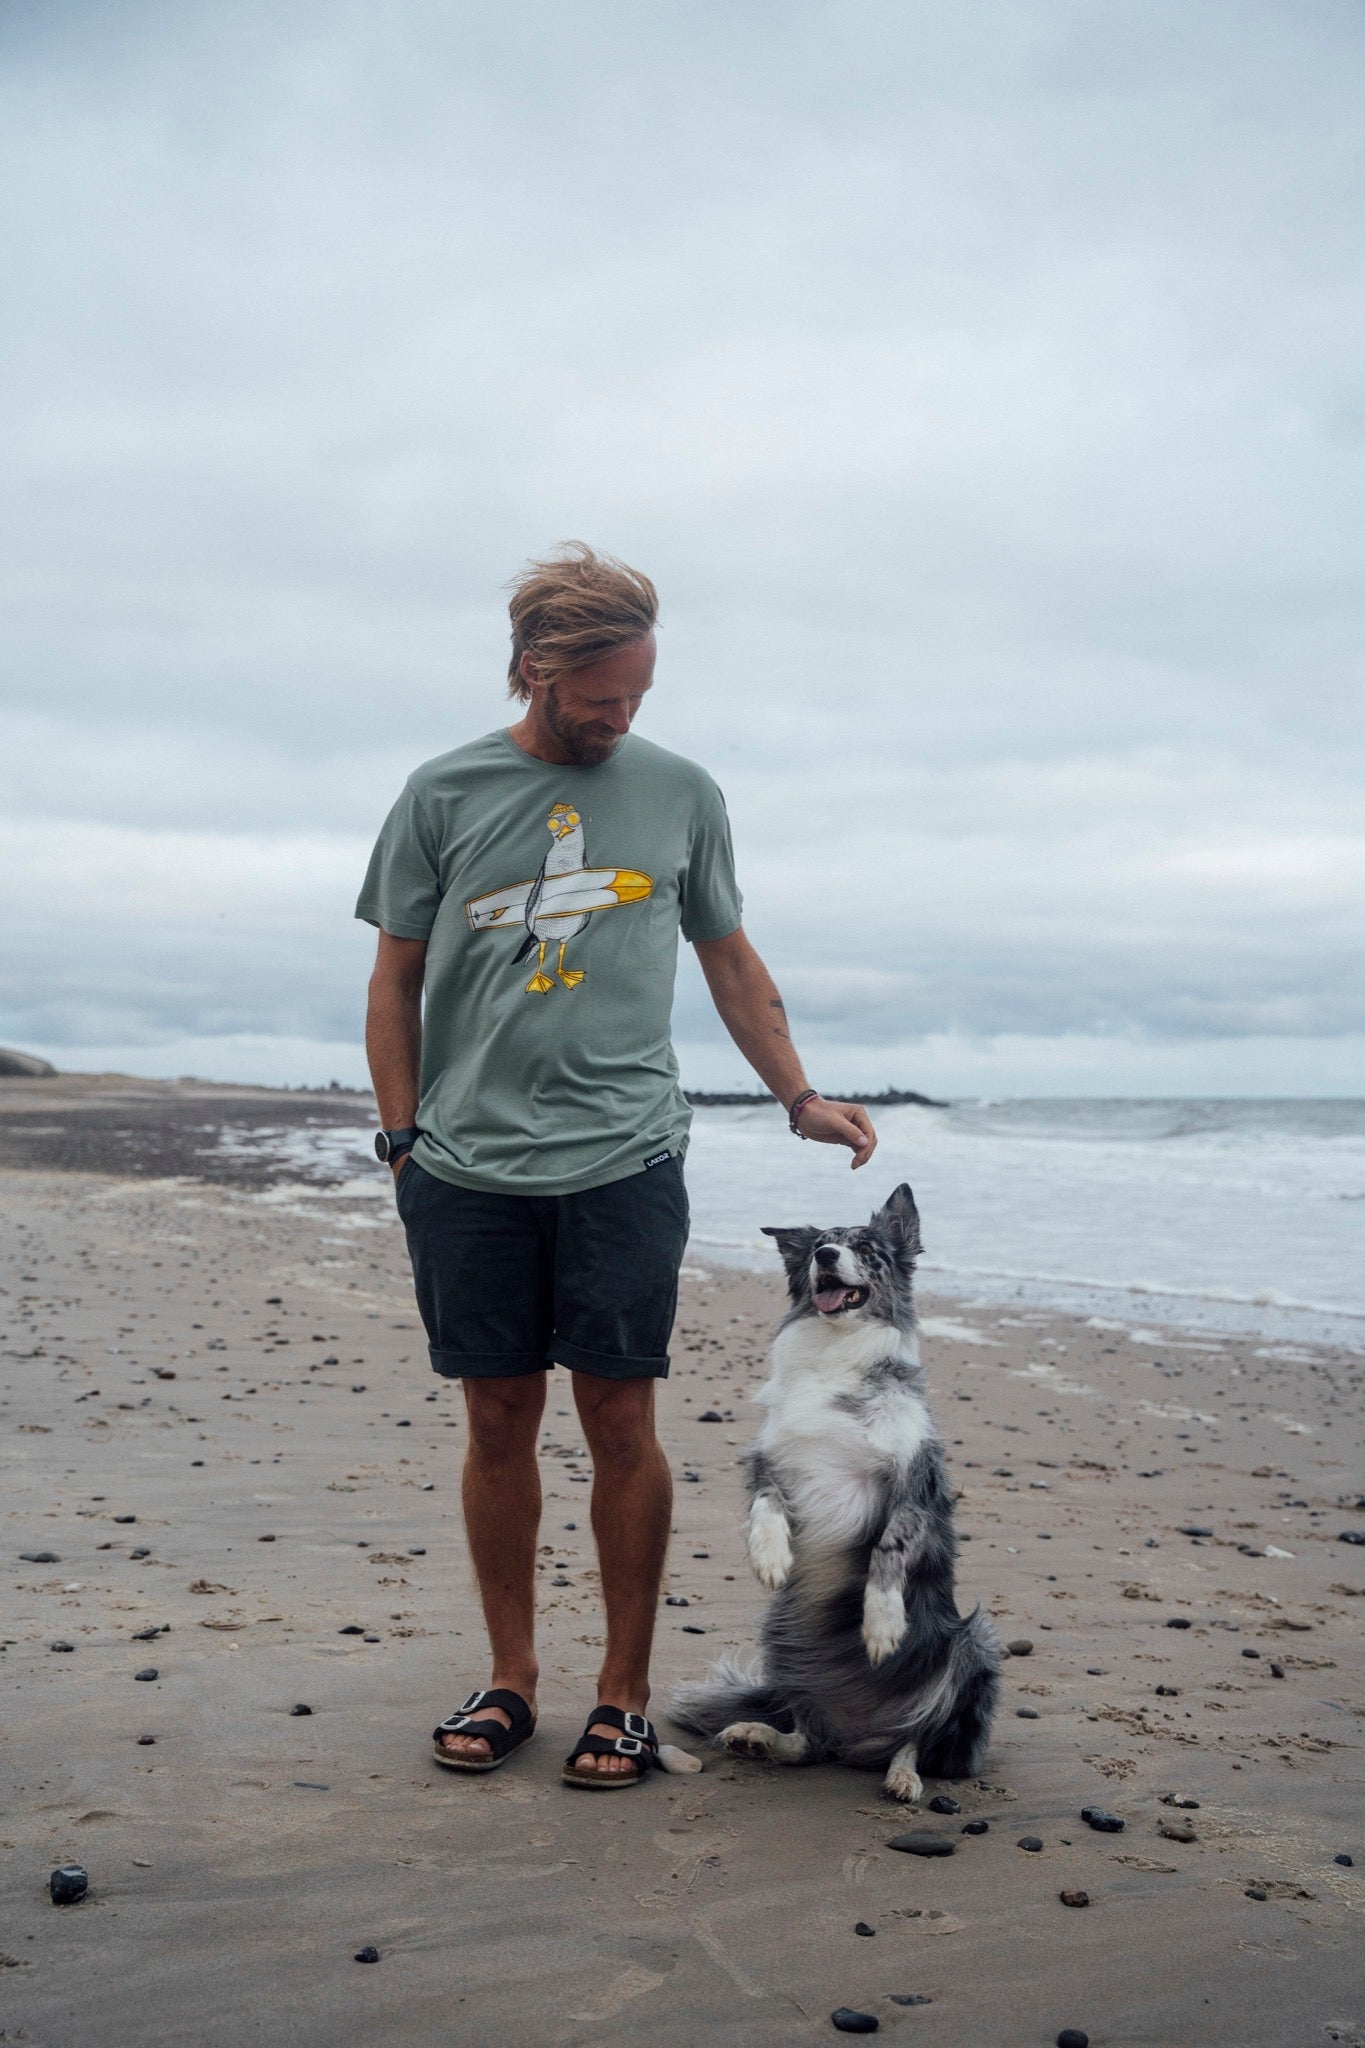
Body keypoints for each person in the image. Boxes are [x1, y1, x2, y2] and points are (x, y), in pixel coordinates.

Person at [357, 543, 876, 1788]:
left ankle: (624, 1694)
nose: (620, 717)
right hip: (467, 1162)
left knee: (621, 1415)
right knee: (496, 1417)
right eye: (600, 699)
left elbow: (730, 959)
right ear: (536, 668)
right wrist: (401, 1138)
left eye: (638, 696)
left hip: (624, 1155)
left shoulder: (683, 793)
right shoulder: (441, 794)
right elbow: (395, 981)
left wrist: (796, 1091)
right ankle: (512, 1678)